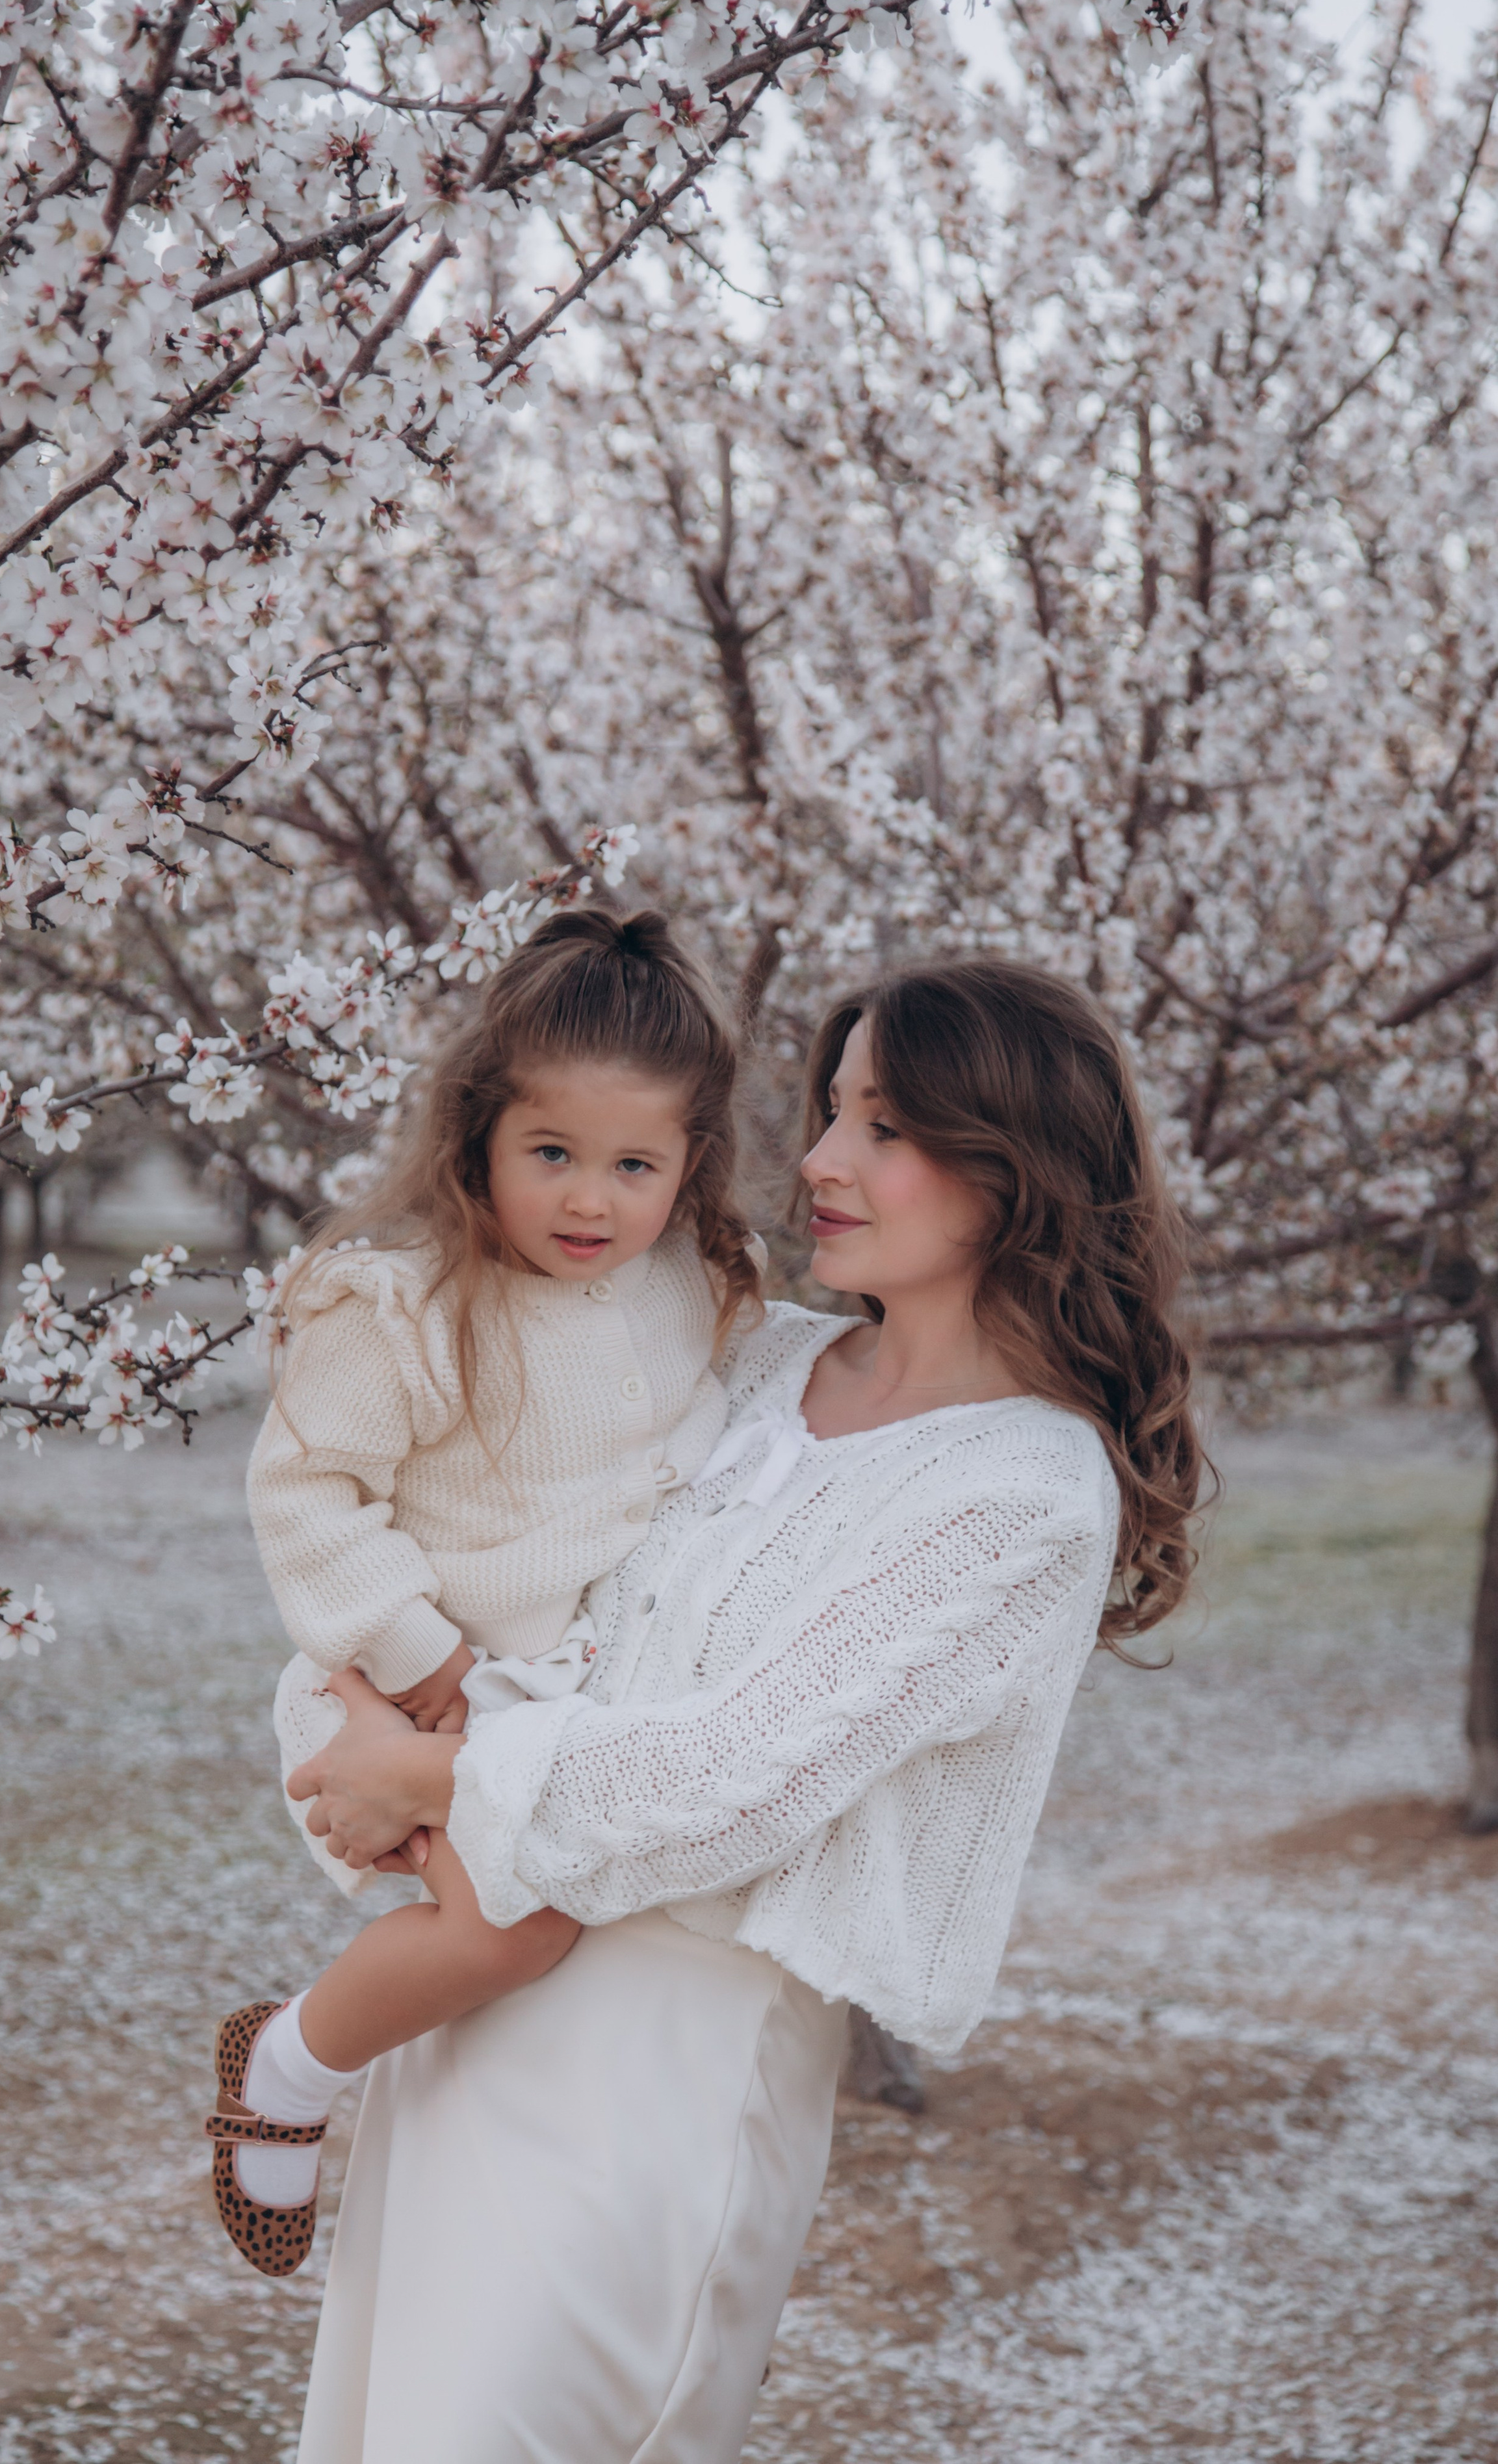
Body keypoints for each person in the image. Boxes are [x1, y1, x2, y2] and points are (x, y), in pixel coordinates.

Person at [285, 955, 1206, 2464]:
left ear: (1016, 1170)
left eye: (886, 1128)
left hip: (673, 2063)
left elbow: (738, 1779)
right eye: (831, 1113)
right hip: (478, 1990)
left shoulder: (1023, 1490)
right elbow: (499, 1539)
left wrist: (437, 1777)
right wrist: (362, 1714)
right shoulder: (753, 1349)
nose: (822, 1161)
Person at [208, 907, 762, 2276]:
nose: (591, 1200)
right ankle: (285, 2065)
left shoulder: (684, 1282)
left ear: (689, 1162)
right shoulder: (405, 1306)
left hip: (562, 1701)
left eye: (635, 1163)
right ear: (479, 1141)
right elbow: (304, 1489)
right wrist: (414, 1652)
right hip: (417, 1695)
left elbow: (698, 1424)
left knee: (565, 1938)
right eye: (552, 1155)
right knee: (512, 1934)